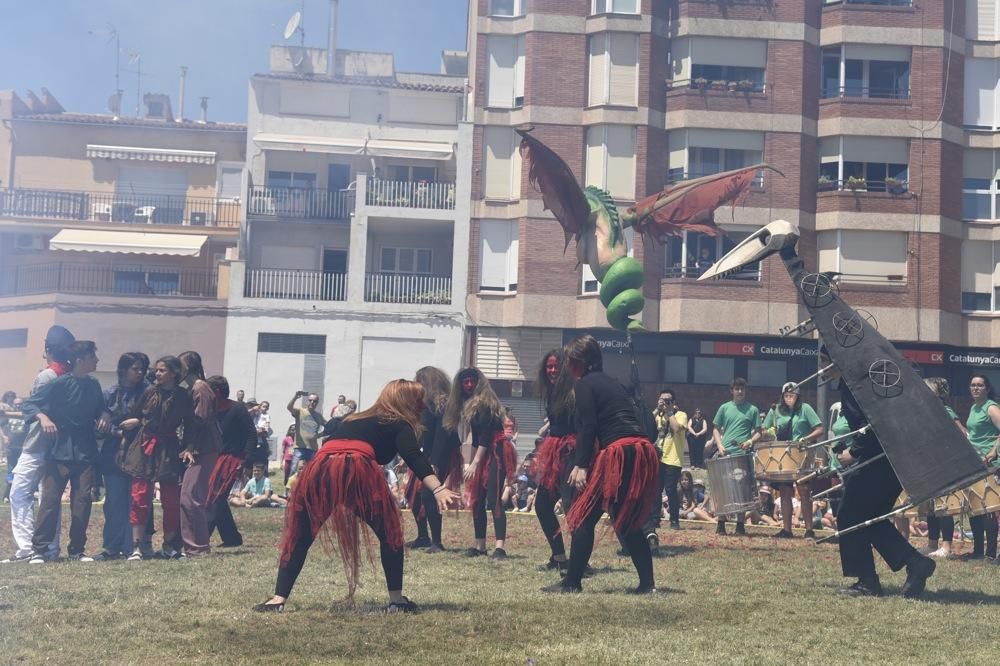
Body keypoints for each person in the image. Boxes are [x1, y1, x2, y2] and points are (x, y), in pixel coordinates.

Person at [253, 379, 457, 613]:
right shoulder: (399, 423)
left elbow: (333, 442)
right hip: (355, 469)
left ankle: (278, 599)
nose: (422, 406)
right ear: (406, 402)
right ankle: (396, 600)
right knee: (390, 531)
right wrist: (438, 488)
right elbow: (415, 457)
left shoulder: (355, 418)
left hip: (320, 468)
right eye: (417, 400)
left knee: (301, 534)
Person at [543, 335, 659, 594]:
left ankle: (572, 583)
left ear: (581, 362)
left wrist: (582, 464)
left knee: (584, 516)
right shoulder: (612, 383)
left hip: (619, 451)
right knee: (626, 520)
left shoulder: (583, 384)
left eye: (570, 360)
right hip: (639, 449)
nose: (567, 366)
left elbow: (588, 426)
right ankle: (647, 584)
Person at [834, 376, 936, 597]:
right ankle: (915, 563)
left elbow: (871, 426)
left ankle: (867, 582)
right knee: (871, 518)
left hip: (879, 462)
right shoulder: (871, 382)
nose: (822, 368)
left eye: (825, 361)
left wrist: (852, 453)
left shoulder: (854, 387)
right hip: (894, 462)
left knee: (850, 516)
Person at [23, 341, 107, 563]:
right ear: (80, 360)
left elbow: (102, 407)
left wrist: (105, 415)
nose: (97, 361)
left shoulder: (94, 385)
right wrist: (44, 417)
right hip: (59, 448)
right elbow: (30, 404)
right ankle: (39, 550)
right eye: (93, 357)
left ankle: (77, 550)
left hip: (86, 450)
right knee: (50, 500)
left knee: (82, 502)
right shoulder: (59, 384)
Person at [5, 325, 75, 562]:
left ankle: (27, 547)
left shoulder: (45, 376)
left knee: (20, 493)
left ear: (47, 349)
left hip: (37, 444)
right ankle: (49, 548)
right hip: (59, 446)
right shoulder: (68, 375)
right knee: (49, 497)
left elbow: (33, 407)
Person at [120, 356, 196, 560]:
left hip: (169, 448)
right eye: (157, 370)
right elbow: (137, 415)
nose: (157, 373)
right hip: (145, 446)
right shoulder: (149, 391)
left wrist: (188, 447)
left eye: (162, 370)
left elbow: (190, 424)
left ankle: (170, 545)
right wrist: (127, 437)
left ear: (174, 373)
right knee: (140, 496)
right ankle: (136, 546)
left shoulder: (182, 396)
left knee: (171, 500)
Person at [445, 367, 515, 560]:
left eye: (471, 381)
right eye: (465, 382)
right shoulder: (469, 404)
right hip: (482, 452)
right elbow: (475, 439)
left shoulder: (485, 403)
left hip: (497, 451)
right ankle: (480, 545)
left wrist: (474, 462)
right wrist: (469, 462)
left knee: (493, 498)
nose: (468, 385)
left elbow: (485, 437)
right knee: (477, 499)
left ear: (478, 382)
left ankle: (500, 547)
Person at [93, 353, 149, 561]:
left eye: (142, 369)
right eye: (135, 368)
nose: (140, 373)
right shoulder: (109, 394)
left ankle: (133, 546)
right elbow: (98, 425)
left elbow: (152, 419)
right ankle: (111, 546)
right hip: (112, 453)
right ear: (124, 369)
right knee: (114, 501)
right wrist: (109, 428)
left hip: (139, 451)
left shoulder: (147, 392)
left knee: (136, 499)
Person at [761, 382, 824, 539]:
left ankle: (809, 529)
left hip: (801, 454)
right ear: (782, 396)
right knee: (784, 491)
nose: (789, 398)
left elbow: (819, 428)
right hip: (782, 454)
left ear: (798, 396)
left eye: (792, 395)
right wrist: (769, 432)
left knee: (804, 491)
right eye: (787, 395)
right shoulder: (775, 410)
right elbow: (763, 429)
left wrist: (806, 438)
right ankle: (787, 529)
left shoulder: (805, 409)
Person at [533, 349, 577, 573]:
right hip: (554, 454)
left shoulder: (574, 392)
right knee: (542, 505)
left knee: (572, 509)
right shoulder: (550, 392)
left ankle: (580, 563)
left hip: (571, 454)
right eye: (549, 367)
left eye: (556, 367)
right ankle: (559, 557)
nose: (551, 370)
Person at [178, 351, 221, 556]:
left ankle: (197, 546)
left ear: (189, 367)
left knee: (191, 497)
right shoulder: (192, 388)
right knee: (190, 496)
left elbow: (200, 420)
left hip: (202, 448)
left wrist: (190, 446)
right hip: (199, 448)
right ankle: (193, 545)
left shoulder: (200, 388)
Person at [917, 378, 966, 559]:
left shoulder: (945, 410)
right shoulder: (926, 411)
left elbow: (962, 434)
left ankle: (946, 546)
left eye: (928, 388)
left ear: (939, 393)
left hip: (944, 463)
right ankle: (932, 545)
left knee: (944, 507)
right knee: (932, 507)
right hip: (930, 462)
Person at [206, 375, 256, 547]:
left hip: (232, 459)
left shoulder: (237, 409)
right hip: (215, 458)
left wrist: (247, 461)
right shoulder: (211, 410)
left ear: (217, 392)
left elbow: (251, 435)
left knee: (216, 497)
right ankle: (232, 538)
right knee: (217, 498)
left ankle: (203, 537)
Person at [409, 366, 452, 552]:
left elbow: (443, 435)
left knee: (429, 494)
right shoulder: (423, 404)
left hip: (439, 454)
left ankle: (437, 541)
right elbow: (421, 433)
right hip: (425, 453)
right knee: (413, 495)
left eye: (419, 380)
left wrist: (434, 461)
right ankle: (423, 536)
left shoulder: (442, 403)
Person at [711, 378, 760, 536]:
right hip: (725, 453)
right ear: (731, 390)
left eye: (742, 389)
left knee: (743, 490)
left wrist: (750, 441)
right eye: (737, 389)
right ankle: (721, 523)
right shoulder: (724, 408)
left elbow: (759, 431)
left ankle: (740, 524)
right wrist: (719, 445)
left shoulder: (753, 409)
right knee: (723, 490)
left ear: (745, 391)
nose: (740, 391)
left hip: (742, 455)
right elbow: (716, 429)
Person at [965, 374, 1000, 561]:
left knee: (988, 509)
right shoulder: (973, 407)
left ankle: (990, 553)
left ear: (987, 389)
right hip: (974, 463)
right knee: (974, 507)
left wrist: (994, 451)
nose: (976, 388)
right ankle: (978, 551)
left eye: (980, 385)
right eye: (973, 385)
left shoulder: (991, 407)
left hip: (990, 464)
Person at [654, 388, 688, 534]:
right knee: (655, 490)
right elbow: (647, 424)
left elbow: (675, 428)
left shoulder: (681, 415)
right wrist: (657, 409)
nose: (665, 403)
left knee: (670, 489)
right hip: (658, 457)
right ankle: (654, 518)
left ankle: (674, 520)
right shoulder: (658, 415)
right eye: (662, 400)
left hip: (673, 459)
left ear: (674, 403)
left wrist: (669, 412)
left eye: (668, 400)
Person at [287, 391, 326, 474]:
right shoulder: (300, 411)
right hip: (299, 447)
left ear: (317, 403)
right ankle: (291, 487)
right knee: (294, 471)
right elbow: (289, 408)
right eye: (310, 400)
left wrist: (320, 435)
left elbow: (328, 426)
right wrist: (295, 397)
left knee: (311, 472)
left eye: (314, 401)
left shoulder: (319, 416)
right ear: (307, 401)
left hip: (312, 449)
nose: (312, 402)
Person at [280, 425, 296, 491]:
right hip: (288, 460)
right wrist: (281, 463)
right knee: (287, 475)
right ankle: (285, 491)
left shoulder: (298, 439)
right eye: (292, 429)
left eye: (295, 429)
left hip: (295, 460)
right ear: (289, 430)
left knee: (293, 476)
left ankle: (292, 490)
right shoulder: (286, 439)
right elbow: (282, 451)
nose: (293, 431)